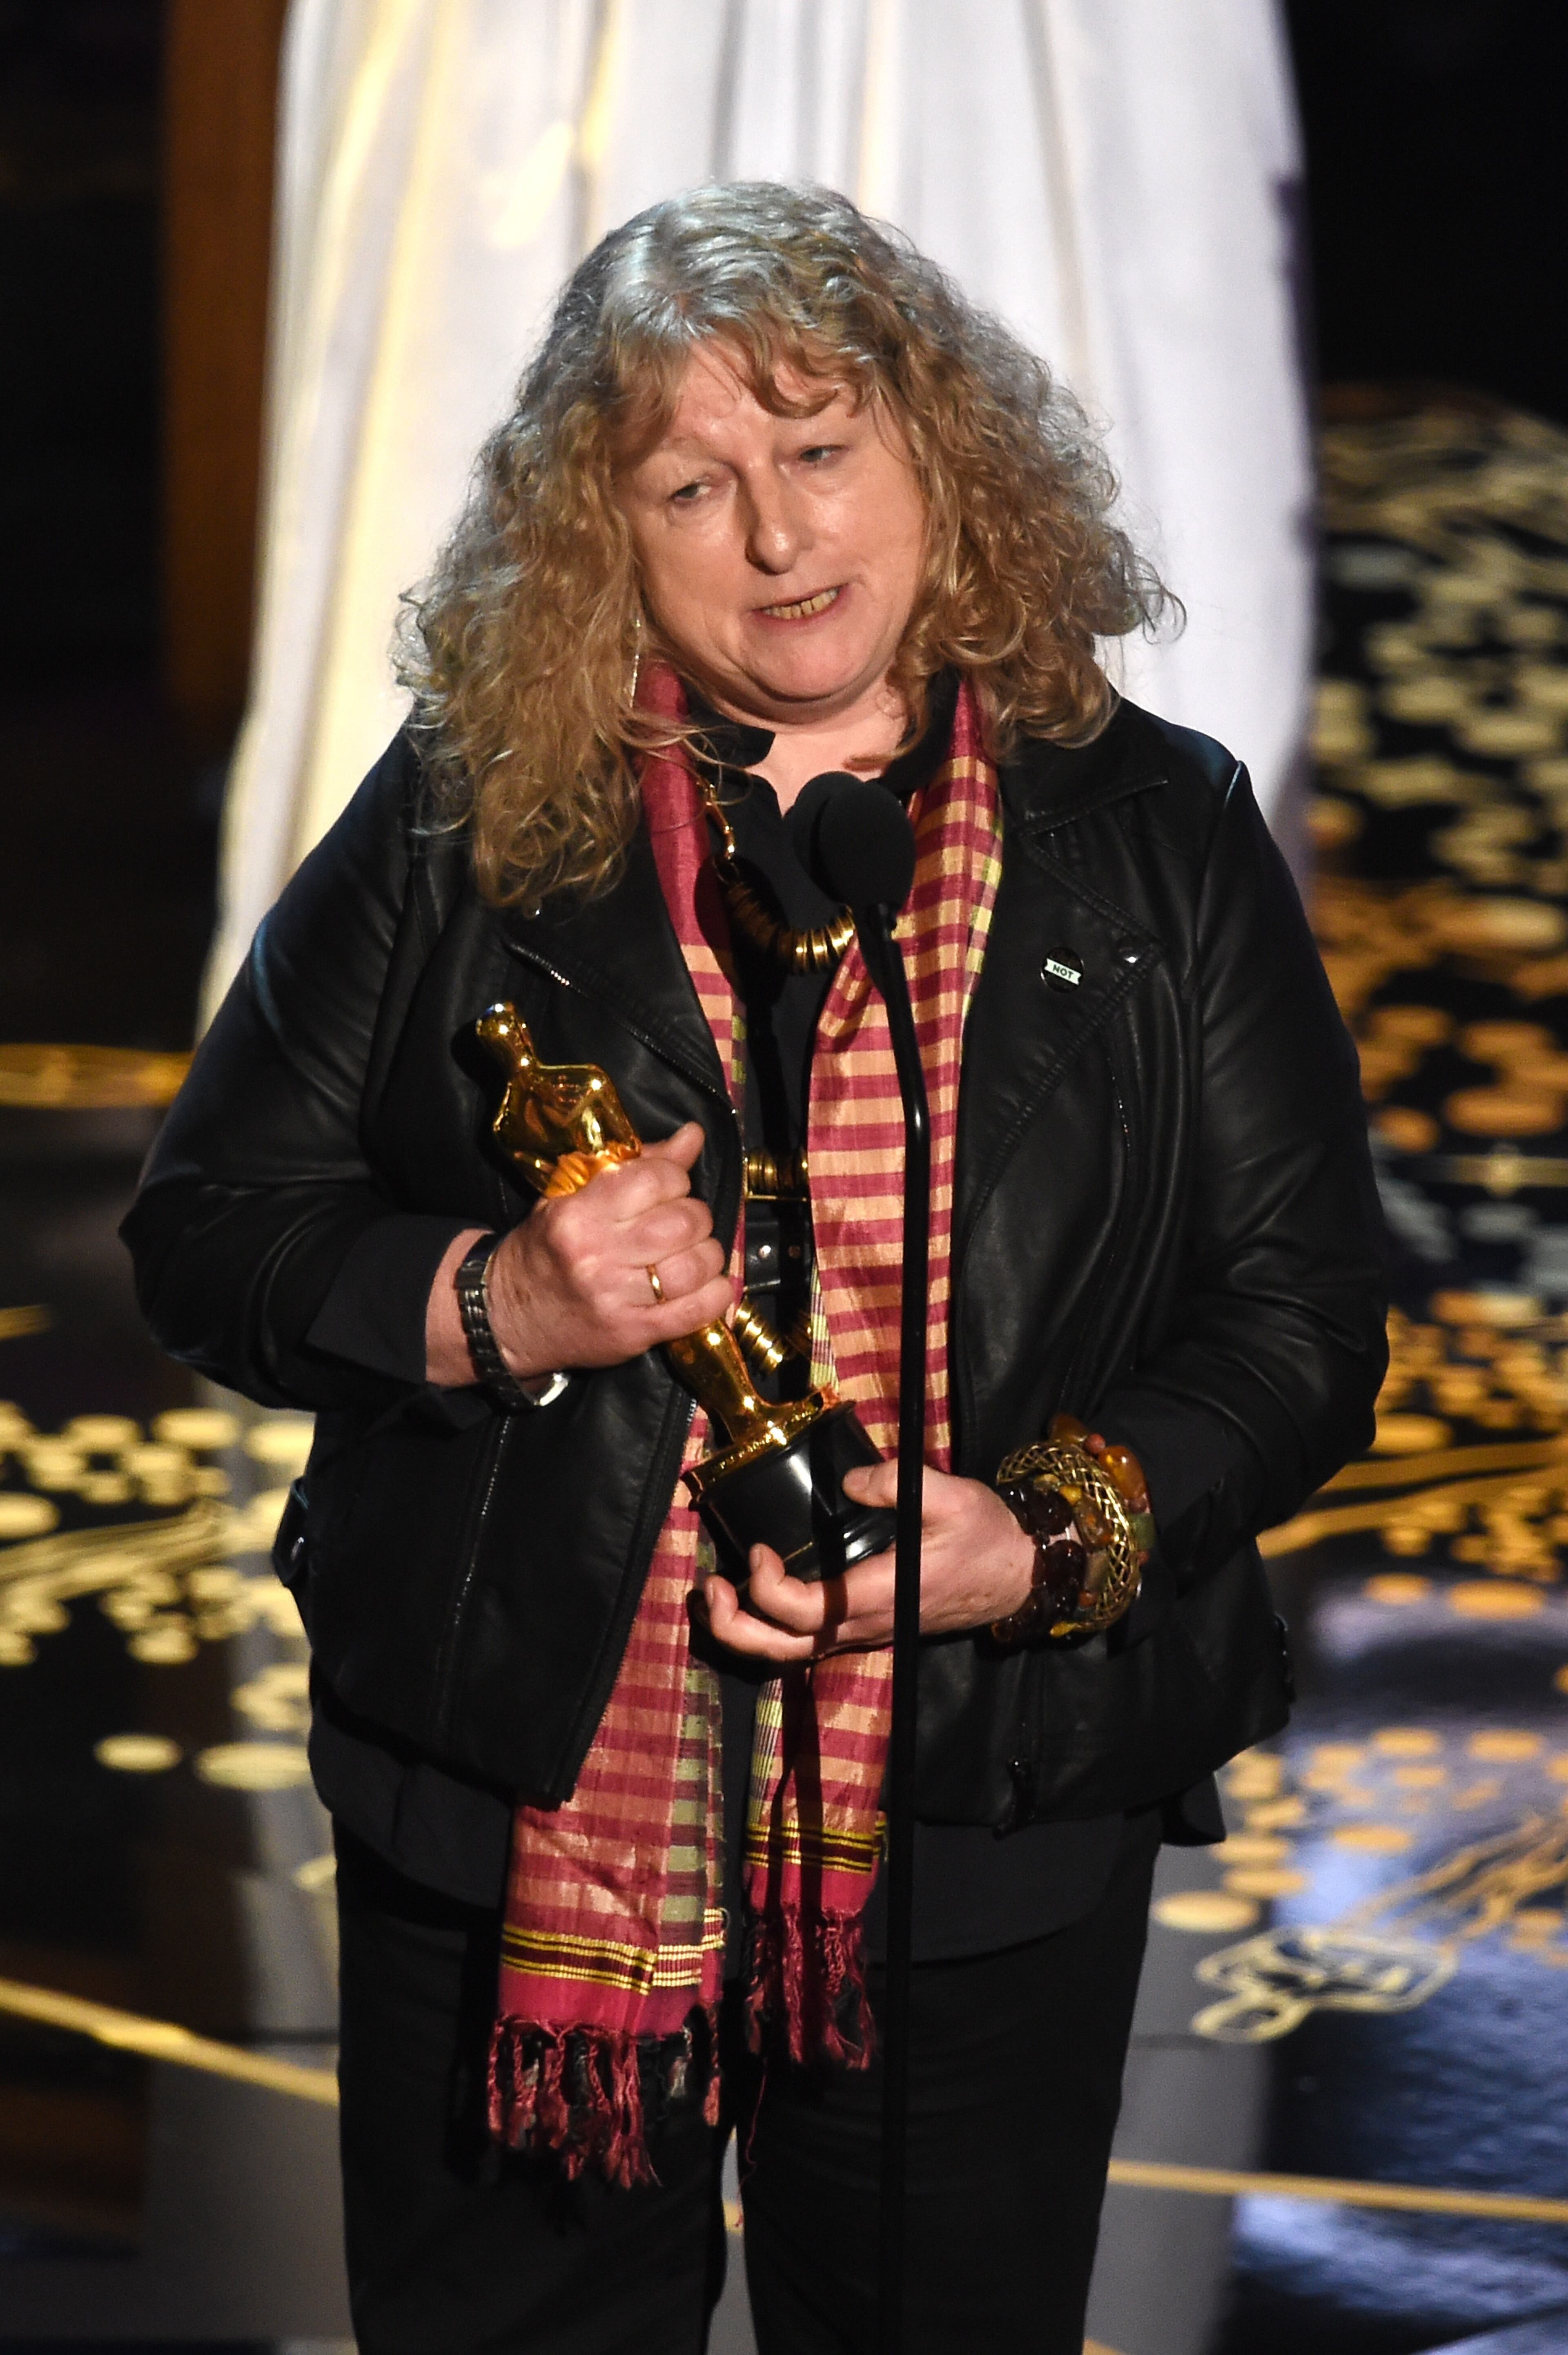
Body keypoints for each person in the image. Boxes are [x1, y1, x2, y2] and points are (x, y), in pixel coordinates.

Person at [123, 183, 1386, 2355]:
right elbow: (214, 1228)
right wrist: (492, 1303)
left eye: (824, 454)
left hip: (985, 1785)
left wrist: (1040, 1533)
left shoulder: (1157, 831)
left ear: (941, 461)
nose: (782, 540)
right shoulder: (467, 813)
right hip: (520, 1767)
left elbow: (1300, 1323)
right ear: (604, 531)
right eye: (693, 485)